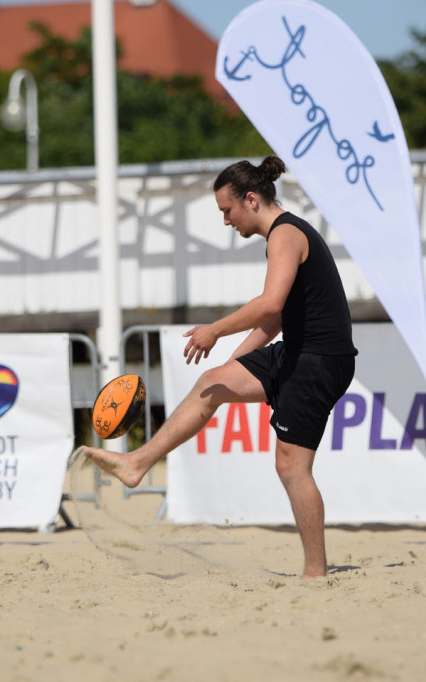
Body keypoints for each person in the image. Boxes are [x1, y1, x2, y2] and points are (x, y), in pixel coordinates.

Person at [83, 155, 357, 579]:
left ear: (251, 200)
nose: (226, 221)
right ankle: (136, 464)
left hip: (319, 361)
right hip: (298, 351)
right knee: (211, 383)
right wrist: (236, 365)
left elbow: (269, 303)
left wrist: (214, 331)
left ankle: (315, 573)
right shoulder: (284, 234)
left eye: (226, 210)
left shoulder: (285, 234)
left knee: (290, 466)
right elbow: (274, 321)